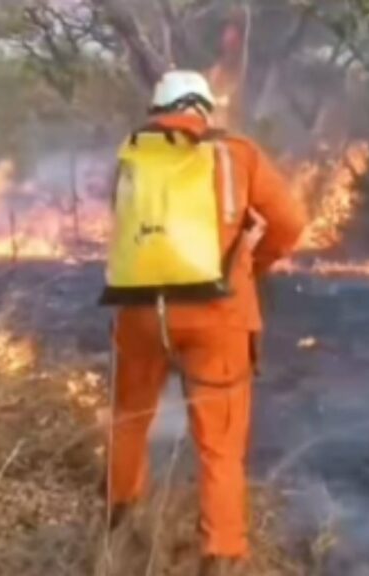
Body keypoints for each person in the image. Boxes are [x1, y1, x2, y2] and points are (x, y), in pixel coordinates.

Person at [104, 70, 302, 575]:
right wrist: (252, 266)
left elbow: (126, 235)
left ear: (157, 110)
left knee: (129, 417)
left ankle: (120, 518)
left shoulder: (132, 156)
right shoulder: (237, 154)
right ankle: (221, 554)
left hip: (141, 314)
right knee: (220, 443)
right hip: (217, 316)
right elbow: (290, 225)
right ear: (206, 110)